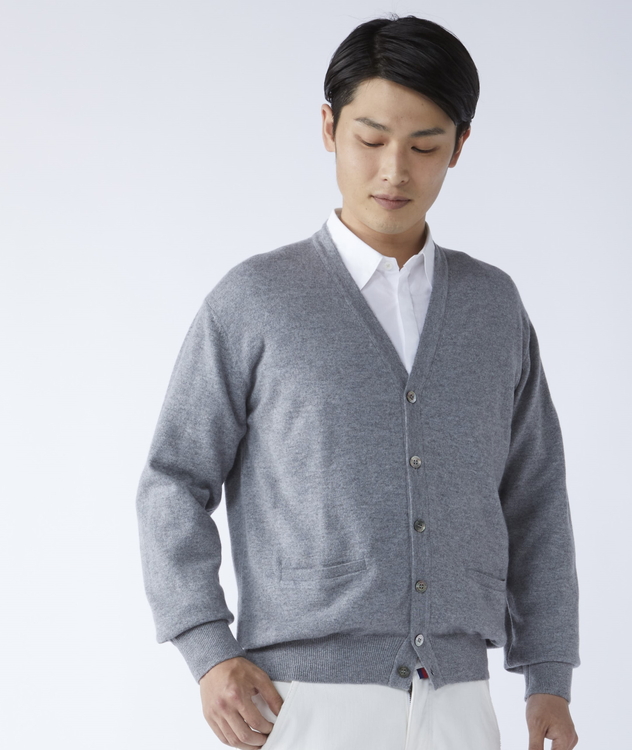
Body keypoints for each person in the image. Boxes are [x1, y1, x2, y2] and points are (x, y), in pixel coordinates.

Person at [136, 14, 580, 750]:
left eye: (425, 146)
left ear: (459, 146)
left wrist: (549, 678)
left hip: (460, 704)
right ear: (328, 128)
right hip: (299, 702)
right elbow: (173, 480)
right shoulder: (257, 299)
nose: (394, 171)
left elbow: (534, 496)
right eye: (370, 140)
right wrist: (207, 648)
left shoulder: (492, 307)